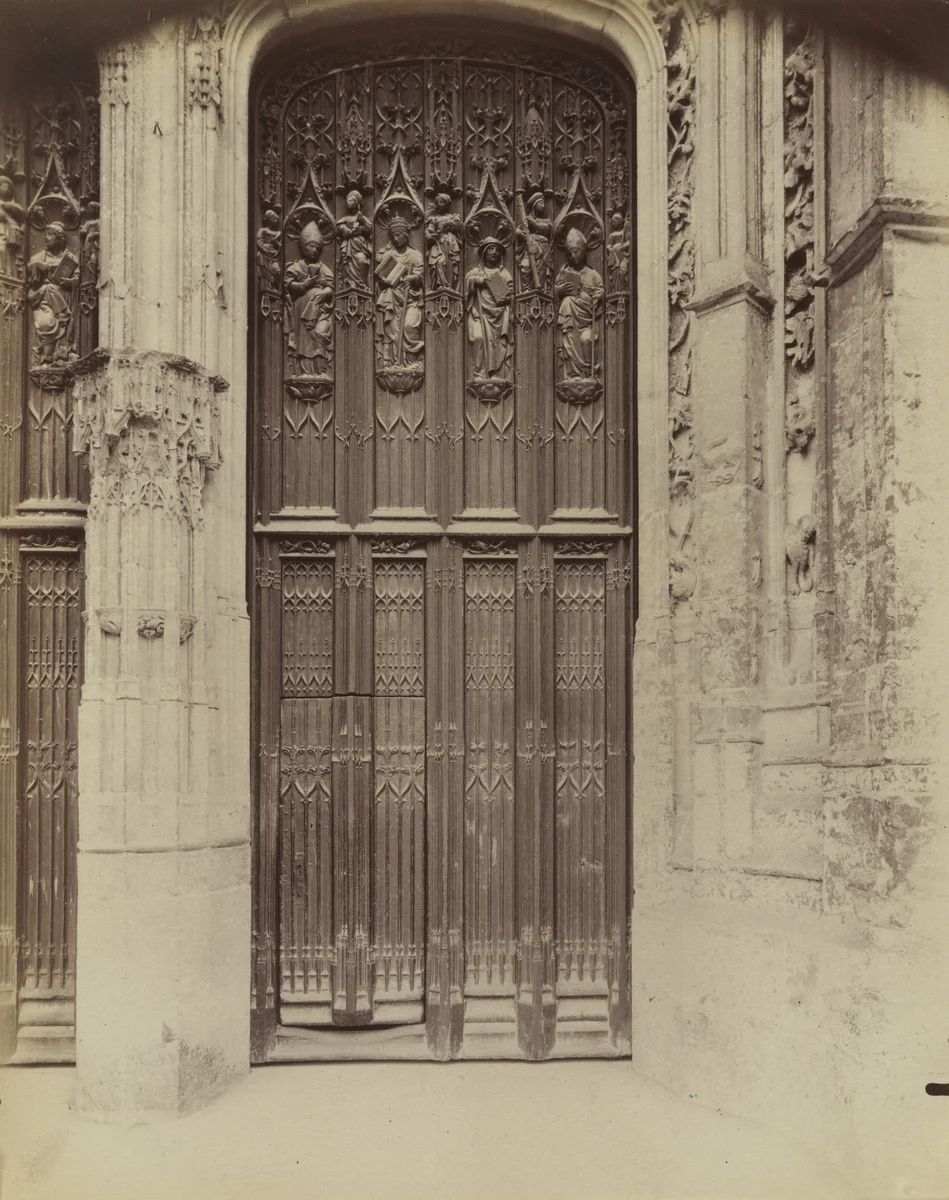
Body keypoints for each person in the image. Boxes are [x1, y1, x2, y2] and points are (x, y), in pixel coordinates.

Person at [283, 221, 334, 375]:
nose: (315, 250)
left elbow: (330, 287)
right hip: (301, 312)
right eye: (311, 246)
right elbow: (289, 285)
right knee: (304, 341)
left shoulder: (323, 268)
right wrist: (304, 285)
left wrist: (324, 293)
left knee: (319, 337)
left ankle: (320, 370)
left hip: (319, 310)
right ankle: (304, 371)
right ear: (304, 247)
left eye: (317, 248)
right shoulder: (296, 267)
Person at [555, 227, 604, 380]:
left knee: (586, 340)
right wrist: (560, 291)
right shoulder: (564, 272)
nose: (573, 255)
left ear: (583, 252)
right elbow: (555, 294)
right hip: (570, 321)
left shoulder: (593, 274)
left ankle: (588, 373)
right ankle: (573, 373)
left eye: (576, 252)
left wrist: (599, 296)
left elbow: (600, 290)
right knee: (569, 340)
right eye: (570, 253)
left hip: (586, 319)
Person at [375, 215, 423, 367]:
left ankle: (412, 362)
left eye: (398, 235)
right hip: (392, 300)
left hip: (411, 300)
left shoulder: (415, 255)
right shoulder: (388, 255)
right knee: (393, 330)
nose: (395, 239)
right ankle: (395, 361)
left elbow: (423, 275)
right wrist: (383, 281)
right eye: (393, 236)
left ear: (405, 235)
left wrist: (414, 278)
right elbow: (380, 278)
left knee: (409, 326)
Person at [27, 221, 78, 365]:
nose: (46, 237)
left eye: (50, 235)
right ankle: (45, 356)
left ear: (60, 239)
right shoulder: (40, 257)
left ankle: (56, 357)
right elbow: (29, 269)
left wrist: (70, 282)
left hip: (64, 297)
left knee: (61, 327)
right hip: (43, 298)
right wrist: (37, 265)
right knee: (46, 323)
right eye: (45, 234)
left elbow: (79, 278)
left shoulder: (69, 258)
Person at [466, 237, 513, 378]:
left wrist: (506, 297)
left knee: (497, 344)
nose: (494, 252)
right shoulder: (476, 273)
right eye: (491, 249)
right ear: (484, 252)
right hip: (479, 314)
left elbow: (511, 295)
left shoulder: (504, 274)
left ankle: (495, 373)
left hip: (498, 317)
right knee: (478, 337)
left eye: (497, 250)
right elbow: (464, 287)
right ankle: (479, 372)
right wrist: (476, 281)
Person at [425, 192, 463, 291]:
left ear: (447, 204)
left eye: (441, 202)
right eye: (437, 203)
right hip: (438, 244)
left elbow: (458, 224)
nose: (439, 205)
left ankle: (450, 286)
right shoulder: (434, 218)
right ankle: (440, 285)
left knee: (451, 263)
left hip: (451, 243)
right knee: (439, 262)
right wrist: (430, 235)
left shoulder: (453, 217)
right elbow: (430, 230)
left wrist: (446, 223)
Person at [515, 191, 552, 290]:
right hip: (530, 245)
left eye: (544, 203)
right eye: (541, 203)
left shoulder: (546, 220)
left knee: (541, 269)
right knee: (526, 266)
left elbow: (548, 229)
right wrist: (519, 233)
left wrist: (534, 223)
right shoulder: (528, 219)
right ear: (535, 205)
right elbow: (518, 229)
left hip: (543, 247)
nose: (543, 206)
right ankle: (526, 290)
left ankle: (541, 291)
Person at [337, 191, 372, 290]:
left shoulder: (361, 217)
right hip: (349, 245)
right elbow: (337, 227)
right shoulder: (346, 218)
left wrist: (362, 220)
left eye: (351, 200)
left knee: (362, 260)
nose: (348, 202)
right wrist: (343, 228)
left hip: (359, 245)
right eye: (348, 200)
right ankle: (350, 283)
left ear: (357, 203)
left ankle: (361, 284)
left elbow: (370, 229)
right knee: (348, 262)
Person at [0, 172, 25, 277]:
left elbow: (22, 216)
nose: (7, 189)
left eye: (7, 187)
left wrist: (8, 207)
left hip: (8, 232)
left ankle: (8, 273)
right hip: (2, 230)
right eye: (4, 186)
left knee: (6, 251)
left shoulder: (11, 205)